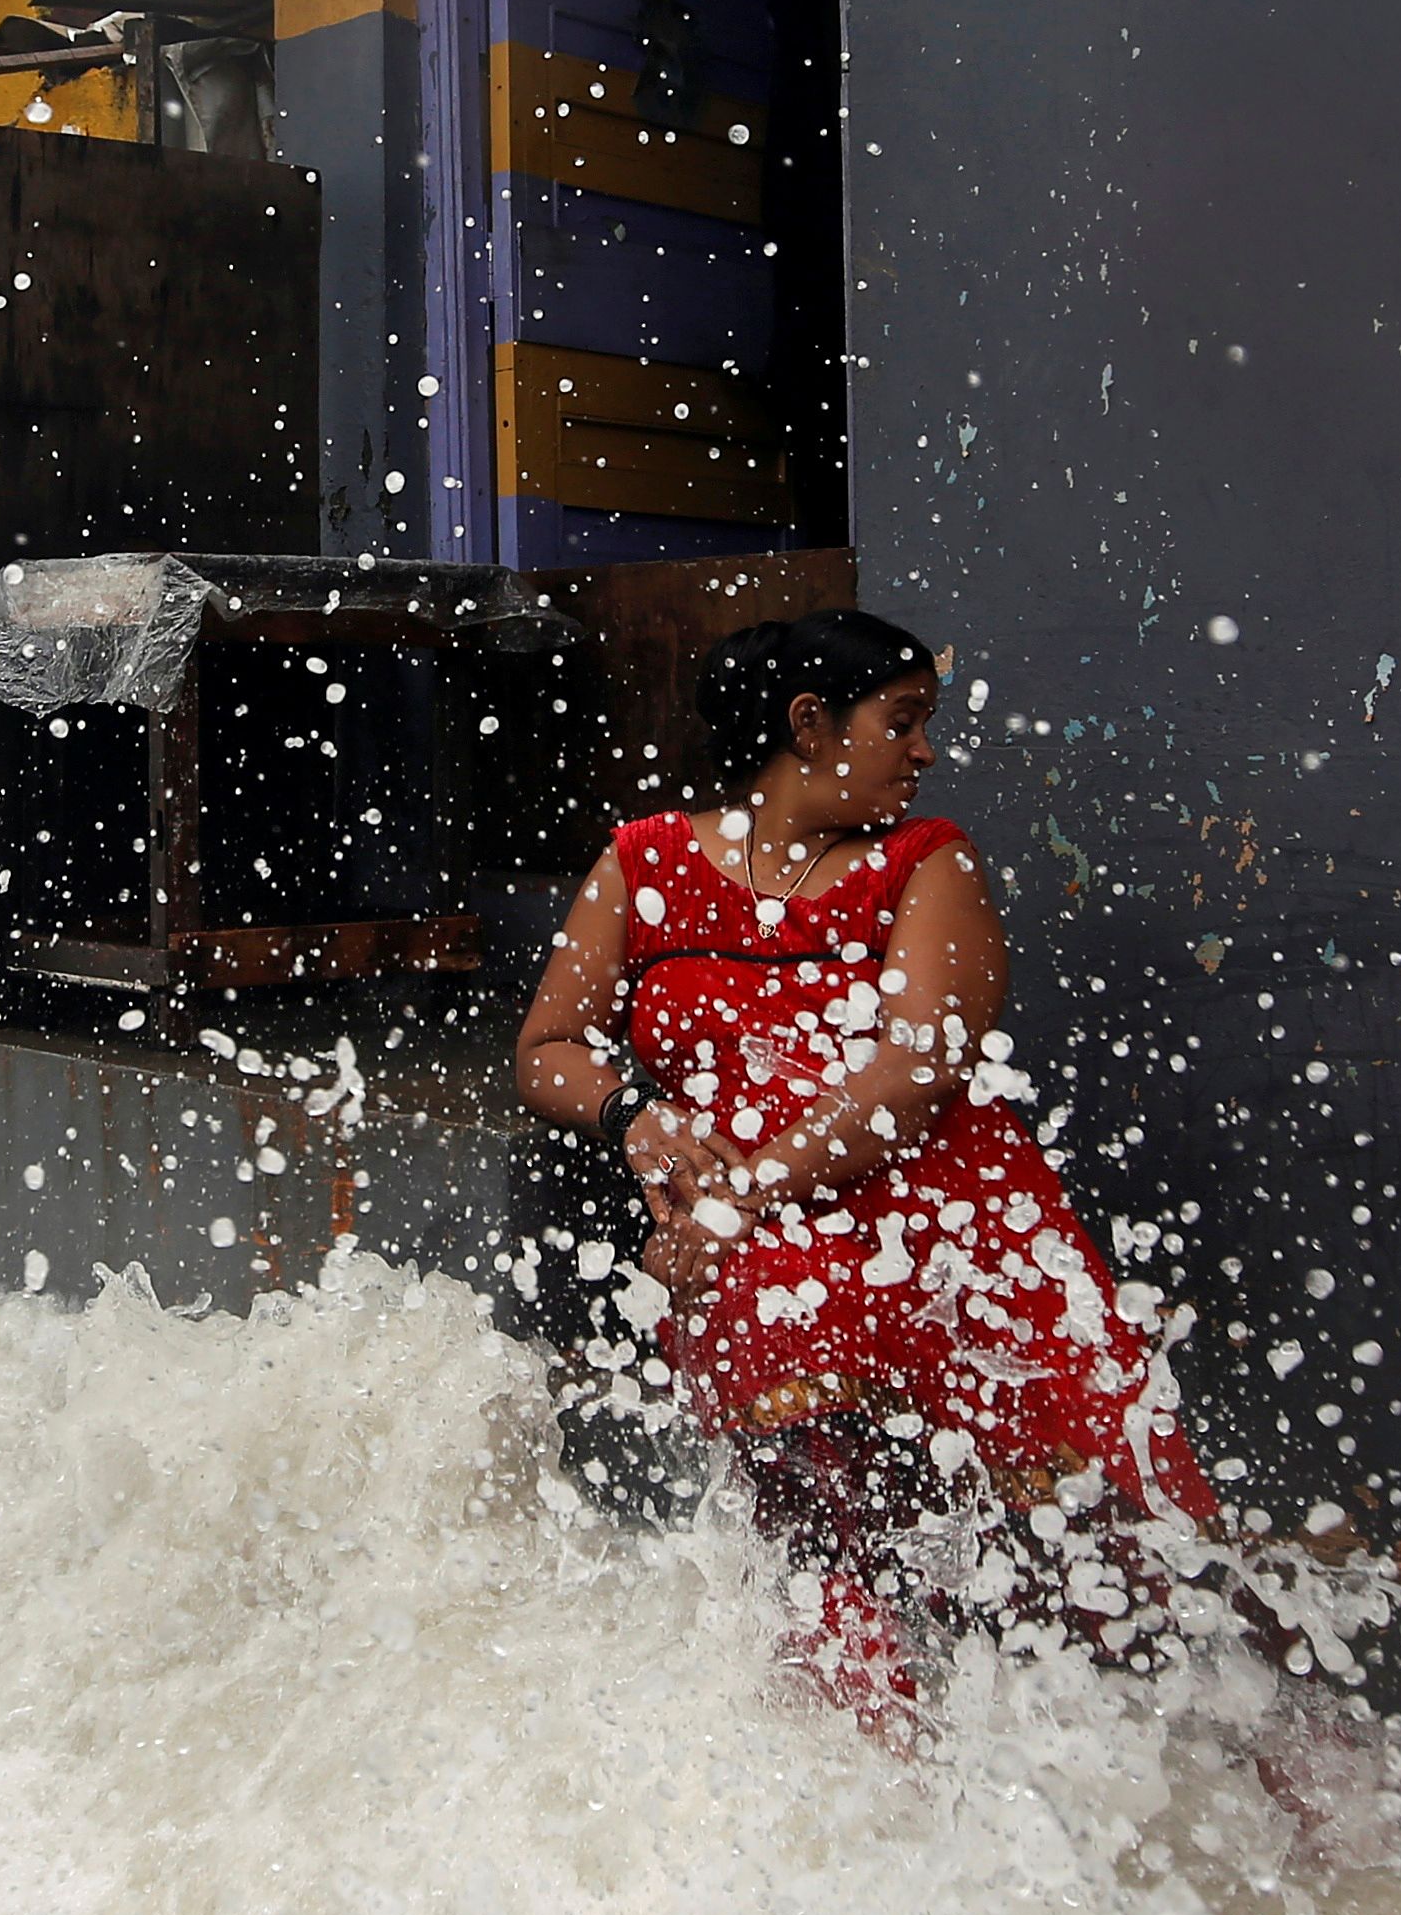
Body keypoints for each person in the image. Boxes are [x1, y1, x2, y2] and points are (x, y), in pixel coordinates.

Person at [511, 609, 1283, 1728]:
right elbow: (546, 1049)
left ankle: (1287, 1789)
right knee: (819, 1551)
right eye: (904, 722)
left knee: (1110, 1564)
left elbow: (914, 1076)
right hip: (767, 1264)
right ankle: (879, 1807)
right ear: (810, 723)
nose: (925, 752)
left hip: (945, 1240)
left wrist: (735, 1195)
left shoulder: (927, 862)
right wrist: (633, 1117)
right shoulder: (646, 864)